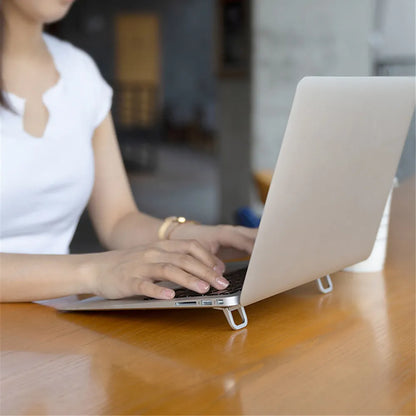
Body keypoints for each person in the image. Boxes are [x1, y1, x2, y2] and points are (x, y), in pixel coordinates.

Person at [0, 0, 257, 303]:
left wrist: (186, 239)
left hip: (55, 325)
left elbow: (118, 219)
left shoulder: (79, 71)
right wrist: (95, 271)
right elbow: (97, 269)